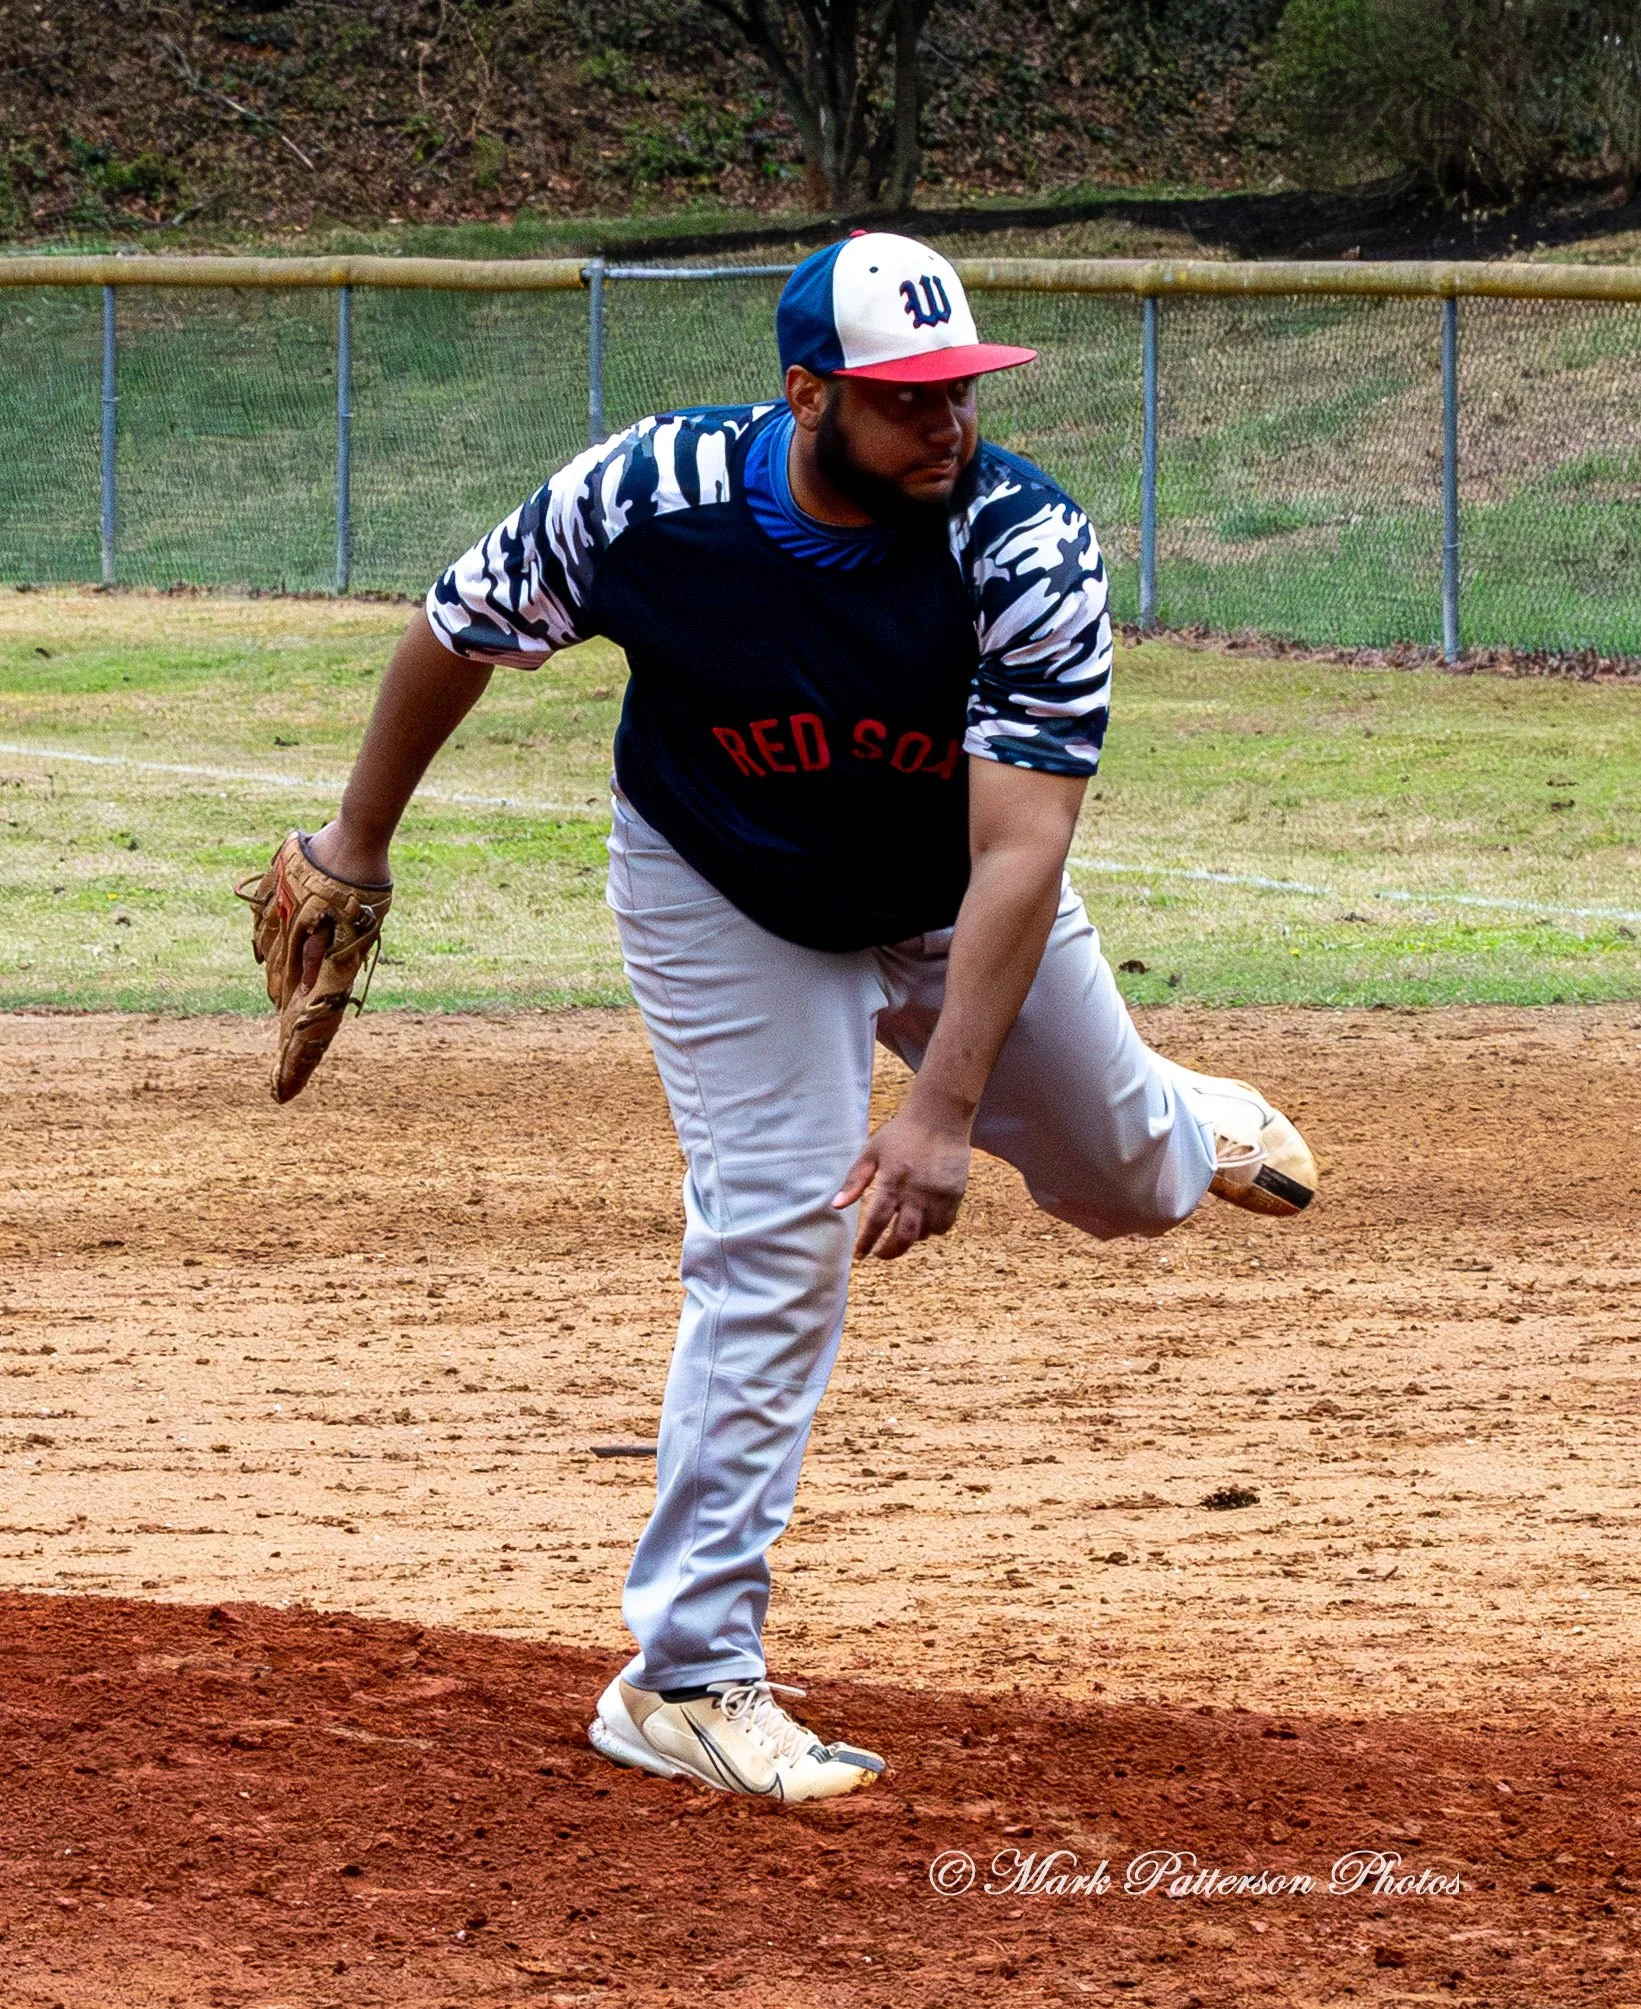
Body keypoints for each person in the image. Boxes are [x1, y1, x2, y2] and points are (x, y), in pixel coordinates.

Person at [303, 232, 1317, 1806]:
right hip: (725, 888)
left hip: (949, 892)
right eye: (905, 399)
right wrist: (352, 843)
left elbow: (1020, 851)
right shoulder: (651, 496)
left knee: (1125, 1184)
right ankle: (687, 1679)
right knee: (776, 1230)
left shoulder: (1022, 546)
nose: (945, 425)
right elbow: (460, 625)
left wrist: (938, 1111)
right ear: (805, 395)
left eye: (960, 393)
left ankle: (1177, 1115)